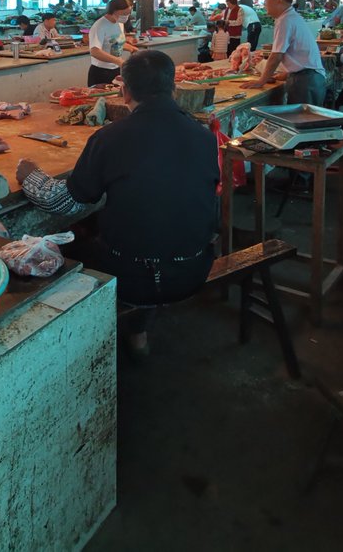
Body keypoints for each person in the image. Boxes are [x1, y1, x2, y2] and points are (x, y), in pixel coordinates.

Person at [17, 50, 219, 356]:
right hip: (195, 268)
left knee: (58, 245)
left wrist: (30, 175)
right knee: (154, 220)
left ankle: (68, 352)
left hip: (135, 278)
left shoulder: (110, 138)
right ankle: (138, 334)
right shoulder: (203, 135)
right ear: (174, 88)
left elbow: (63, 204)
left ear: (124, 91)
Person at [242, 0, 325, 104]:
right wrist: (286, 73)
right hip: (309, 78)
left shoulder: (285, 20)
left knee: (301, 120)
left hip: (305, 80)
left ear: (279, 0)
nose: (265, 3)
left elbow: (276, 55)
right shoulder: (291, 17)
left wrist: (261, 81)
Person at [86, 0, 139, 87]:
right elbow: (94, 51)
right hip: (101, 72)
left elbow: (115, 42)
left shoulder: (119, 23)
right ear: (113, 10)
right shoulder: (100, 26)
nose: (126, 16)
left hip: (116, 69)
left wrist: (131, 48)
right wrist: (118, 61)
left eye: (128, 13)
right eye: (123, 14)